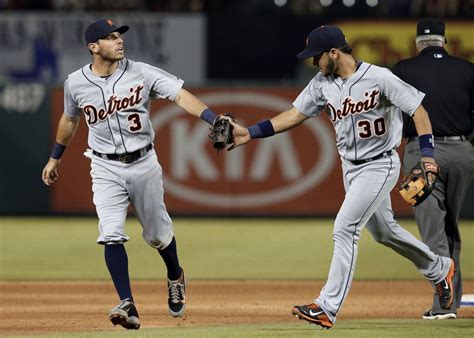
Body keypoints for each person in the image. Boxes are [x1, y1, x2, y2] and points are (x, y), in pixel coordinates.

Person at [227, 25, 455, 329]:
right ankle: (439, 268)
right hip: (351, 168)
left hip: (380, 164)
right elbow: (294, 115)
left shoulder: (379, 77)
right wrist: (250, 134)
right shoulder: (322, 84)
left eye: (316, 57)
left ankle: (327, 306)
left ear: (335, 53)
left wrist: (427, 155)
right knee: (385, 232)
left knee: (345, 227)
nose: (313, 63)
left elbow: (418, 110)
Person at [41, 19, 222, 330]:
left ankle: (175, 274)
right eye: (110, 38)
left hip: (143, 163)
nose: (119, 41)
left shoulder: (141, 72)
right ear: (93, 47)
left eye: (119, 36)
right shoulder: (76, 82)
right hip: (104, 166)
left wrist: (213, 117)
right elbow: (70, 120)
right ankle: (127, 303)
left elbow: (180, 95)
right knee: (110, 231)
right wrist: (55, 157)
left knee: (156, 235)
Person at [393, 18, 474, 320]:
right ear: (444, 41)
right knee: (449, 228)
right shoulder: (467, 69)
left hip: (421, 152)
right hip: (463, 152)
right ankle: (452, 300)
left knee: (433, 232)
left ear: (418, 44)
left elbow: (394, 116)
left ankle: (444, 307)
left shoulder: (403, 69)